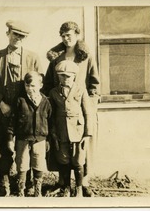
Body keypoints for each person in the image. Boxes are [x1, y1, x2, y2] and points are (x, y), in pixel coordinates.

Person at [0, 20, 42, 196]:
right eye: (15, 34)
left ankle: (29, 183)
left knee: (28, 146)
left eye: (22, 36)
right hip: (2, 111)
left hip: (25, 111)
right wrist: (1, 104)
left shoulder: (33, 57)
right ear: (8, 33)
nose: (18, 38)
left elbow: (40, 83)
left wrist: (31, 105)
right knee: (4, 146)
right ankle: (4, 182)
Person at [43, 21, 100, 197]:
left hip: (80, 110)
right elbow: (48, 84)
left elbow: (94, 83)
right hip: (60, 107)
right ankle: (63, 183)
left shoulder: (86, 56)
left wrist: (89, 104)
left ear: (77, 35)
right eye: (63, 36)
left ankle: (83, 183)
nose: (67, 39)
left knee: (81, 150)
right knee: (61, 148)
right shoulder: (56, 58)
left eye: (70, 35)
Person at [49, 60, 93, 197]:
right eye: (61, 76)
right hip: (61, 130)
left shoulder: (81, 90)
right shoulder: (54, 92)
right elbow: (51, 115)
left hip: (78, 131)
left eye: (68, 76)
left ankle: (79, 188)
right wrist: (53, 133)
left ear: (74, 76)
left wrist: (87, 134)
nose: (64, 79)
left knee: (78, 160)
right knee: (63, 159)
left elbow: (88, 113)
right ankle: (66, 187)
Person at [7, 71, 52, 197]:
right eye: (27, 86)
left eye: (33, 86)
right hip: (23, 139)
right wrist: (10, 139)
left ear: (40, 85)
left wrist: (48, 140)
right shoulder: (20, 101)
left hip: (40, 140)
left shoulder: (46, 102)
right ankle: (21, 190)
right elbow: (12, 122)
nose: (30, 89)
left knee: (38, 163)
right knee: (22, 164)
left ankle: (37, 191)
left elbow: (50, 122)